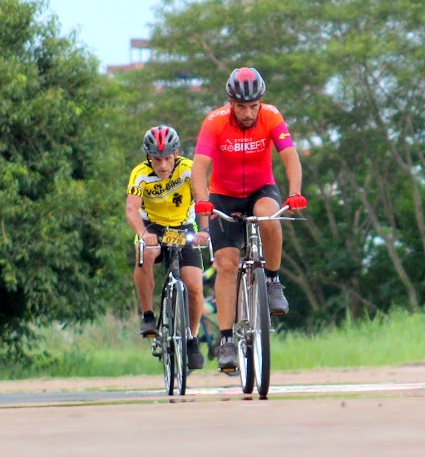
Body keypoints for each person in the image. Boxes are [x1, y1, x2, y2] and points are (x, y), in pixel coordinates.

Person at [191, 67, 307, 371]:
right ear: (231, 102)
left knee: (269, 216)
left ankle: (272, 281)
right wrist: (202, 201)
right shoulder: (214, 122)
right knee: (227, 265)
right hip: (222, 197)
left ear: (261, 101)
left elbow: (290, 155)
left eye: (252, 106)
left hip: (260, 189)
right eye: (241, 107)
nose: (247, 113)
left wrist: (294, 192)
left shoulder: (271, 116)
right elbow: (199, 168)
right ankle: (227, 341)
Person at [126, 124, 210, 370]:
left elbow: (203, 201)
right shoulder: (140, 173)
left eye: (167, 158)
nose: (162, 165)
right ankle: (148, 315)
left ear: (176, 154)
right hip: (152, 226)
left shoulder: (188, 169)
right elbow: (131, 209)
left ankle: (191, 338)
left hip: (183, 226)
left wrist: (204, 230)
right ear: (148, 157)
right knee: (146, 252)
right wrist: (142, 232)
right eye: (156, 159)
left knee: (194, 287)